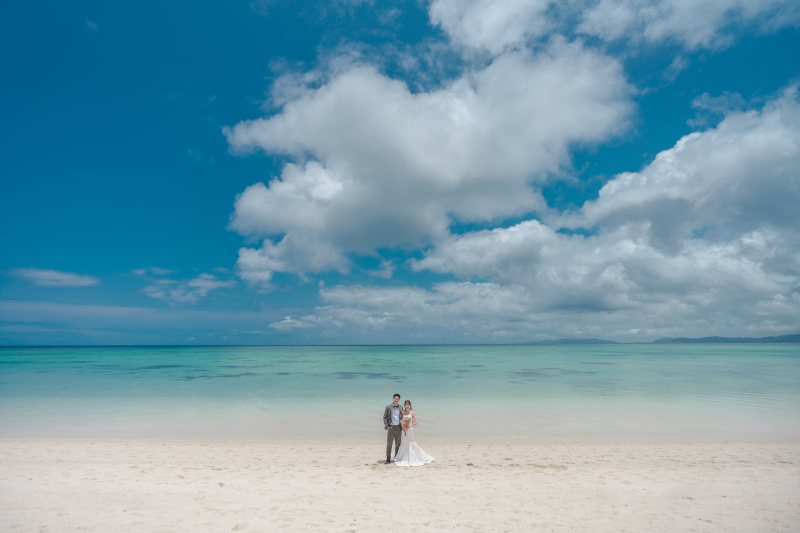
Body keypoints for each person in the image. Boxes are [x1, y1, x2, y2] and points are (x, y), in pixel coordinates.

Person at [394, 400, 434, 467]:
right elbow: (399, 419)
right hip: (404, 430)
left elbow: (415, 422)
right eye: (406, 405)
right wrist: (403, 426)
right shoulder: (403, 412)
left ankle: (412, 457)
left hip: (410, 430)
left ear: (410, 405)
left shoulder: (412, 413)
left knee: (411, 442)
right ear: (404, 405)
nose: (407, 406)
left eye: (408, 405)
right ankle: (404, 457)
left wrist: (409, 426)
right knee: (404, 442)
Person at [383, 394, 403, 464]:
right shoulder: (388, 407)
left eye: (398, 399)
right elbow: (384, 417)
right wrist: (387, 426)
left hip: (398, 428)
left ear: (399, 400)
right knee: (389, 444)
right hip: (391, 427)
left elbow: (402, 416)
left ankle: (396, 458)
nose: (396, 400)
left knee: (398, 444)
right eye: (395, 398)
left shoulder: (400, 407)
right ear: (393, 398)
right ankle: (388, 459)